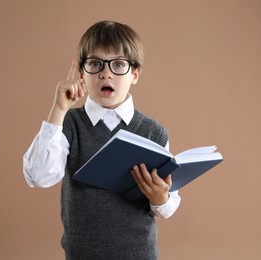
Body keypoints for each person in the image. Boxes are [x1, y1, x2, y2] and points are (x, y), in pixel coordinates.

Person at [23, 20, 181, 260]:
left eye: (118, 64)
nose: (105, 73)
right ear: (81, 74)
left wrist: (161, 198)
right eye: (95, 64)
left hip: (139, 255)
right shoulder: (68, 124)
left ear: (135, 74)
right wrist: (58, 109)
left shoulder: (154, 132)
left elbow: (169, 205)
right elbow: (38, 176)